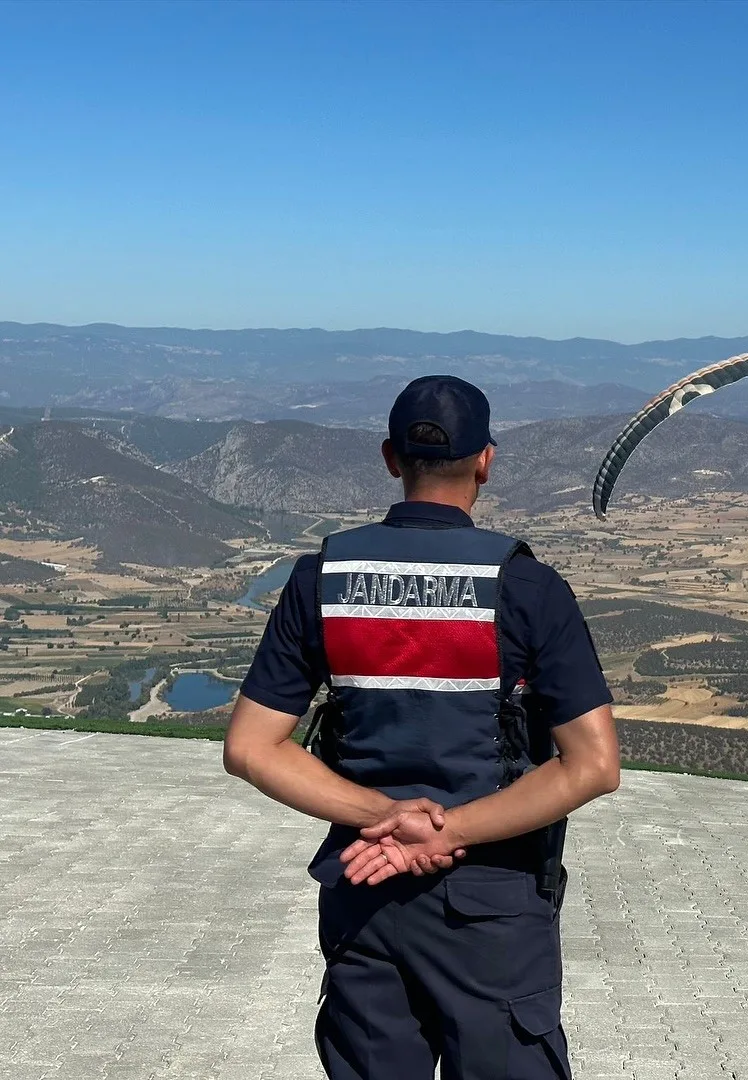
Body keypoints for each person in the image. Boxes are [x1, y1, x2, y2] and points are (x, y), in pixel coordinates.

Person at [223, 374, 620, 1080]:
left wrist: (386, 816)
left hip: (363, 888)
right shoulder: (528, 588)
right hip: (490, 909)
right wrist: (448, 831)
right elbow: (593, 765)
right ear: (486, 461)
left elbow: (251, 748)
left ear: (389, 458)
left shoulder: (322, 577)